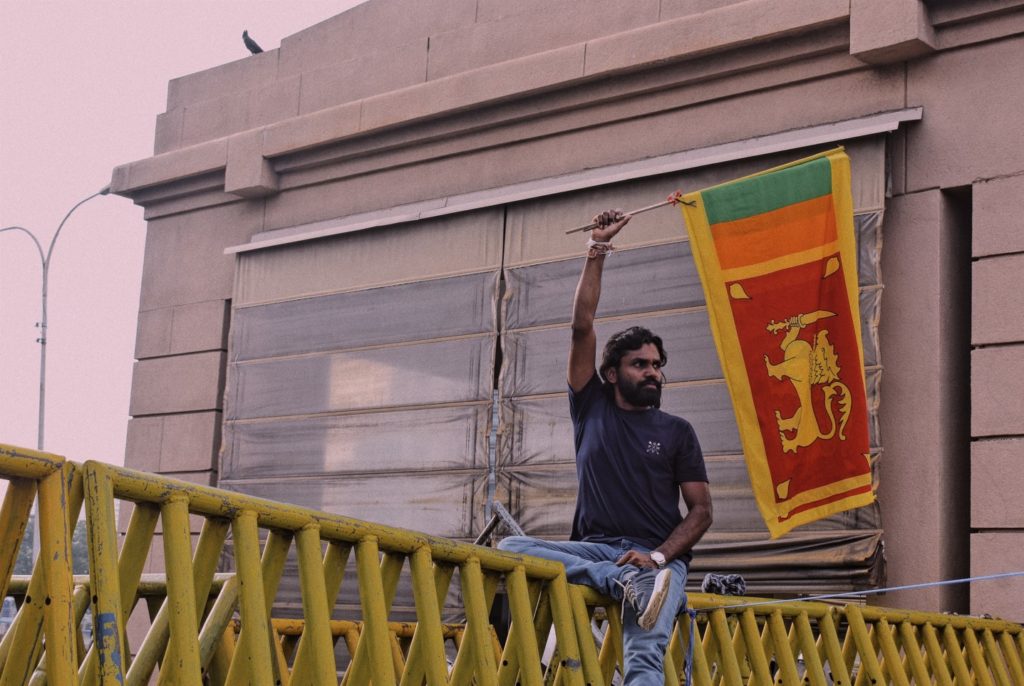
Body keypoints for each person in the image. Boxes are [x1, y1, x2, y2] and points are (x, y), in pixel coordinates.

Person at [499, 209, 713, 684]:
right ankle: (617, 582)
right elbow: (582, 325)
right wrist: (597, 247)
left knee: (642, 658)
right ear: (613, 373)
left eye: (658, 364)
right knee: (511, 545)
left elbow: (700, 512)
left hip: (657, 562)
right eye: (641, 364)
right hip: (596, 555)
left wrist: (657, 559)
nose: (654, 372)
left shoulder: (678, 431)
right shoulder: (591, 405)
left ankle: (637, 581)